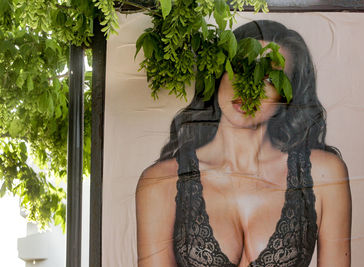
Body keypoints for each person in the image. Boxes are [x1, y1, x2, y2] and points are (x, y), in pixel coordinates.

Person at [136, 20, 352, 267]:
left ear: (288, 95)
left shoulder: (324, 174)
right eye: (240, 67)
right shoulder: (161, 182)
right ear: (220, 73)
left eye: (269, 78)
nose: (249, 88)